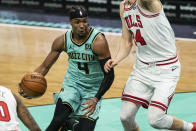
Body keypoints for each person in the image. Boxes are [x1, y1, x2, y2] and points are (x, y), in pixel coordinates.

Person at [104, 0, 196, 131]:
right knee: (125, 117)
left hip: (166, 69)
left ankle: (191, 128)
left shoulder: (149, 3)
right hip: (142, 70)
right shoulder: (123, 6)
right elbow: (126, 41)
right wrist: (116, 59)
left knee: (155, 120)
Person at [19, 6, 114, 131]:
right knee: (57, 120)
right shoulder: (62, 41)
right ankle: (65, 121)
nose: (82, 25)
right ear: (70, 22)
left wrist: (96, 98)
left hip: (92, 90)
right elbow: (44, 66)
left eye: (84, 21)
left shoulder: (98, 41)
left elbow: (110, 75)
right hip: (72, 85)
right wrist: (25, 84)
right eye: (77, 22)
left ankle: (70, 123)